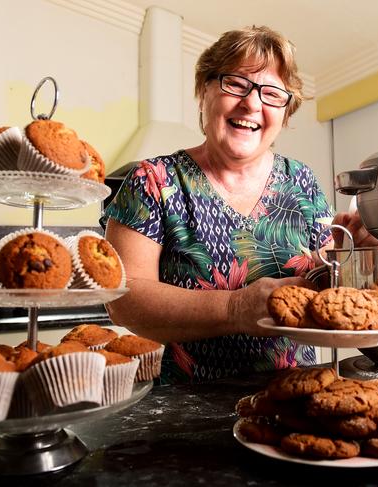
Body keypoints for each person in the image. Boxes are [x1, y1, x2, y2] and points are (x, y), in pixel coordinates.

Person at [102, 26, 346, 384]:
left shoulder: (302, 181)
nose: (252, 103)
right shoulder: (153, 180)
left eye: (272, 93)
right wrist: (235, 308)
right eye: (236, 84)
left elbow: (328, 284)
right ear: (204, 91)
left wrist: (357, 258)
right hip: (181, 408)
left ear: (285, 112)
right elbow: (124, 299)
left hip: (293, 397)